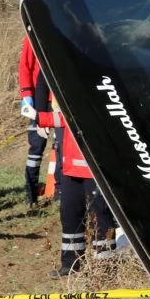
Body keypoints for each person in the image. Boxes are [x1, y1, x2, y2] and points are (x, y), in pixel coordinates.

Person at [21, 101, 116, 278]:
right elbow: (64, 118)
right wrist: (38, 117)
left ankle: (105, 266)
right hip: (70, 168)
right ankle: (71, 264)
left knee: (100, 216)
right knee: (70, 214)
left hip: (94, 170)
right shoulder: (69, 94)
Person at [17, 34, 54, 207]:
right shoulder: (33, 35)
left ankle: (60, 191)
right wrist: (26, 95)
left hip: (58, 99)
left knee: (61, 146)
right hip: (38, 100)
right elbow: (25, 66)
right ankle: (30, 192)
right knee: (36, 147)